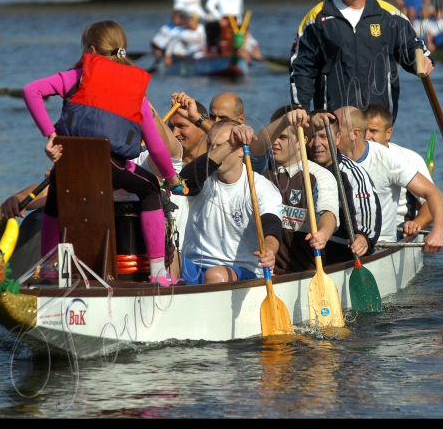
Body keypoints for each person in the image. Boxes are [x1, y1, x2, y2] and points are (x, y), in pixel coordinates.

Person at [22, 20, 183, 287]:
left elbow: (31, 91)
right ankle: (157, 271)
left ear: (92, 49)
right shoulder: (135, 91)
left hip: (69, 163)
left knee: (57, 196)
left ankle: (50, 267)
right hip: (111, 167)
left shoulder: (76, 77)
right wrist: (171, 178)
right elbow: (155, 146)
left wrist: (50, 133)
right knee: (151, 188)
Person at [290, 0, 434, 125]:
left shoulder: (390, 16)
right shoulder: (316, 18)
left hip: (378, 121)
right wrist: (300, 107)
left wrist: (422, 59)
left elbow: (412, 47)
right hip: (333, 121)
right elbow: (302, 67)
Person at [328, 107, 443, 252]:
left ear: (355, 133)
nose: (329, 134)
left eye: (335, 130)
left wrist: (438, 232)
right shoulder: (324, 155)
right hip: (335, 242)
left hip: (380, 245)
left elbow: (433, 193)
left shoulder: (387, 159)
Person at [179, 121, 283, 285]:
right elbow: (183, 180)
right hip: (194, 266)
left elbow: (272, 225)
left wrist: (269, 251)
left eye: (222, 146)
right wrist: (228, 146)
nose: (216, 152)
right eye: (211, 146)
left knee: (215, 275)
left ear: (241, 149)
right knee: (162, 256)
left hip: (240, 270)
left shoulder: (261, 188)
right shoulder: (201, 178)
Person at [260, 107, 340, 273]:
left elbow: (328, 212)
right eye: (273, 137)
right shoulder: (261, 170)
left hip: (302, 270)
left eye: (282, 137)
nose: (275, 142)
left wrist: (323, 234)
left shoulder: (319, 176)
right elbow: (254, 147)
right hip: (264, 267)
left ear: (301, 141)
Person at [304, 112, 382, 260]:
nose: (316, 144)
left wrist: (363, 237)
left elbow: (366, 209)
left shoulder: (352, 174)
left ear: (338, 138)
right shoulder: (298, 167)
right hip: (307, 253)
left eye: (324, 136)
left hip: (342, 254)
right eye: (312, 137)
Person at [364, 104, 434, 237]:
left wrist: (417, 223)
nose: (367, 137)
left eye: (373, 131)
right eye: (363, 131)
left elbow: (432, 202)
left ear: (388, 133)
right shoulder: (352, 157)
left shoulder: (409, 159)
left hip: (398, 230)